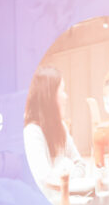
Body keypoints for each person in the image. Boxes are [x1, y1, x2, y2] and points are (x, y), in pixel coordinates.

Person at [23, 66, 87, 196]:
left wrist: (63, 174)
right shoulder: (32, 132)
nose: (66, 97)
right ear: (49, 96)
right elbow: (44, 183)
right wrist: (66, 166)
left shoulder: (61, 127)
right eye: (62, 90)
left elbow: (81, 165)